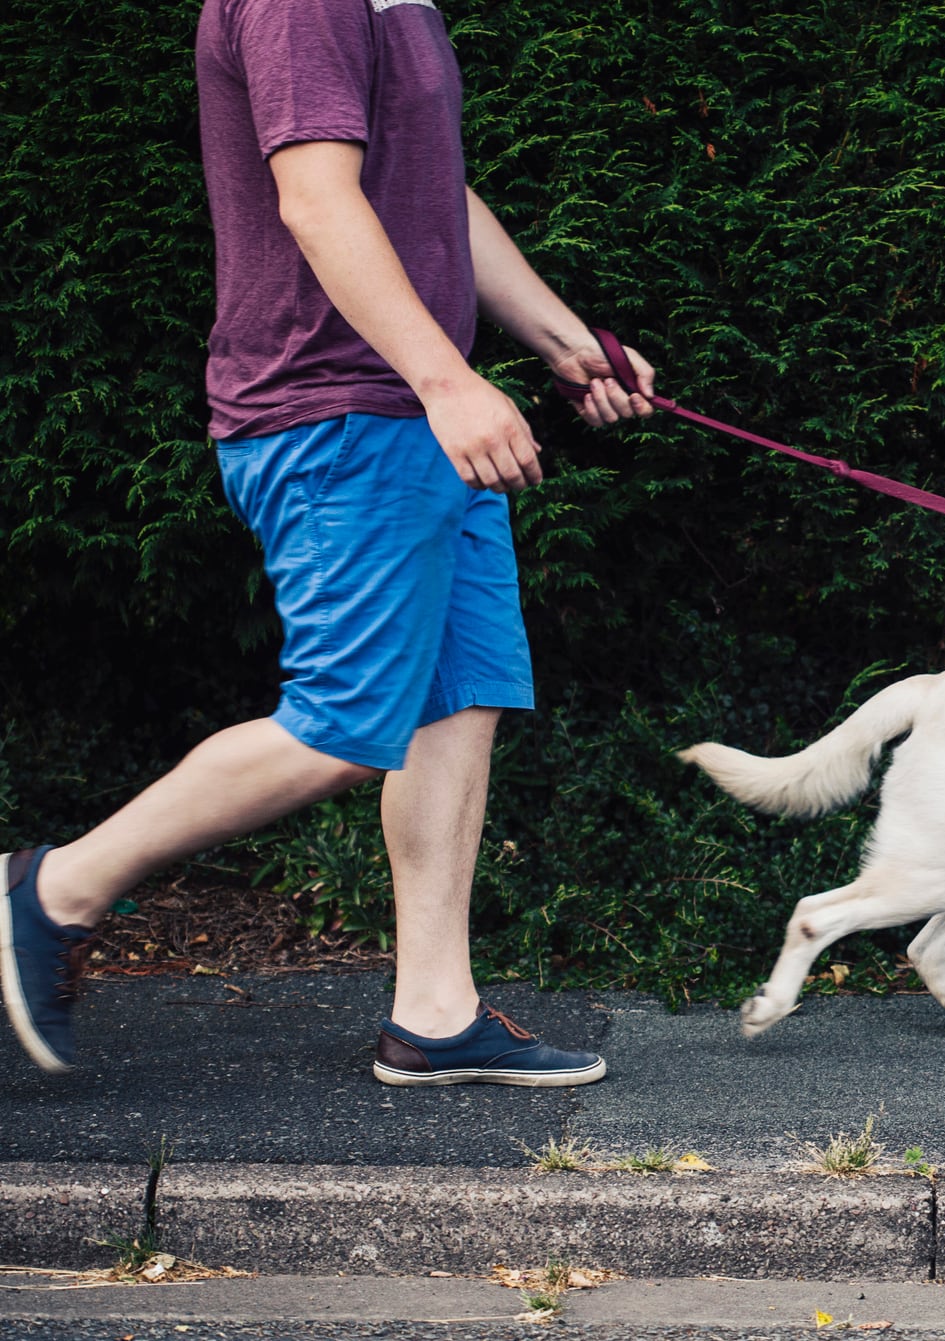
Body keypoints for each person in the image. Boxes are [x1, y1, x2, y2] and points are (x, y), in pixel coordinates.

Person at [1, 0, 650, 1086]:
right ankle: (52, 889)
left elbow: (433, 192)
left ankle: (436, 1013)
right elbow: (314, 199)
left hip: (412, 412)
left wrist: (565, 341)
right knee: (347, 723)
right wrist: (448, 382)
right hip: (339, 410)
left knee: (460, 696)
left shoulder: (403, 5)